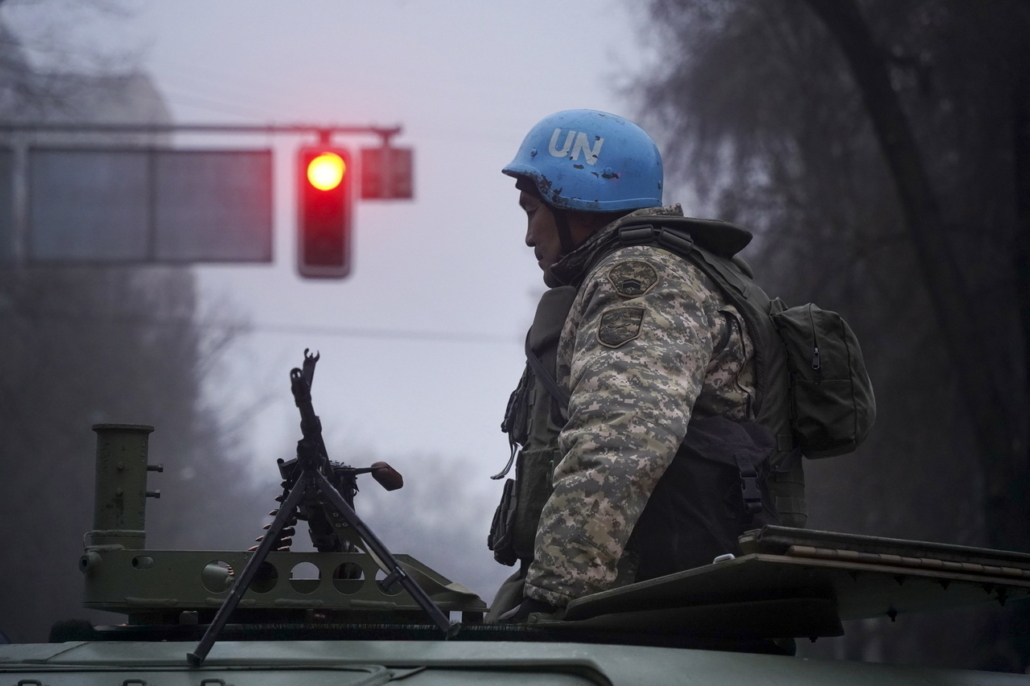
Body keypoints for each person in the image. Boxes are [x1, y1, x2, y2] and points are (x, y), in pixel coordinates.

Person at [486, 110, 787, 622]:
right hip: (651, 600)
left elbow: (622, 438)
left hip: (656, 608)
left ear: (574, 202)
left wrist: (555, 593)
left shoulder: (644, 279)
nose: (529, 236)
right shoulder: (643, 272)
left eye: (532, 210)